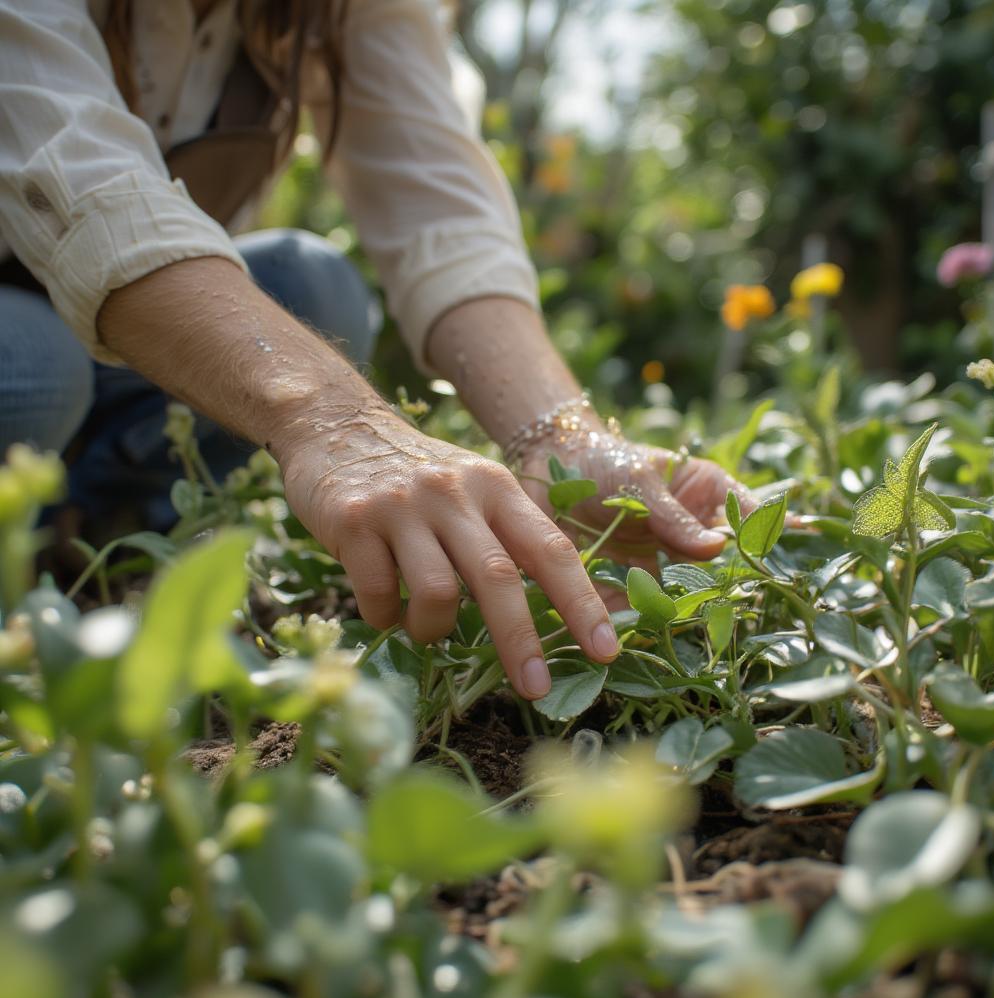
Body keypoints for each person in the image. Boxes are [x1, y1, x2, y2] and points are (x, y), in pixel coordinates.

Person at [0, 0, 752, 702]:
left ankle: (86, 527)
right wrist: (332, 421)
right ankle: (37, 545)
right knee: (36, 371)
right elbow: (73, 172)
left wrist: (557, 438)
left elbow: (433, 197)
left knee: (312, 284)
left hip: (128, 355)